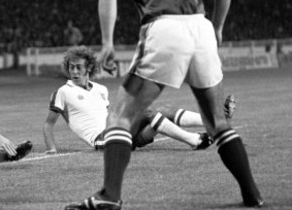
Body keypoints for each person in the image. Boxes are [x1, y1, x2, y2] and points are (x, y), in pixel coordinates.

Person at [65, 0, 263, 210]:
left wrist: (108, 42)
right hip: (198, 26)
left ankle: (110, 195)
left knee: (121, 117)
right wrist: (217, 28)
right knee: (217, 122)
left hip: (164, 27)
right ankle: (252, 195)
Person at [43, 46, 236, 153]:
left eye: (78, 67)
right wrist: (52, 149)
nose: (74, 71)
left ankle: (216, 121)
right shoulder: (63, 91)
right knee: (147, 110)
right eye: (71, 67)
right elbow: (48, 124)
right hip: (104, 140)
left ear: (88, 69)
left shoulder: (100, 89)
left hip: (120, 131)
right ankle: (194, 140)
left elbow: (113, 114)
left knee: (165, 109)